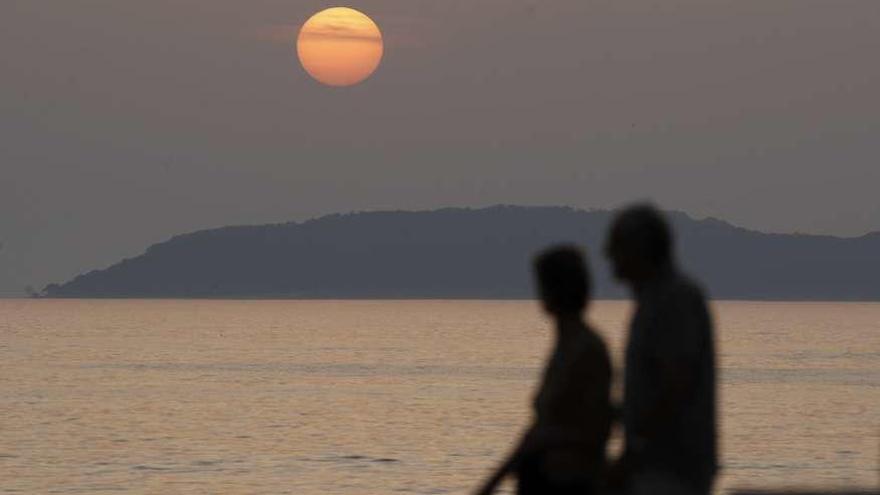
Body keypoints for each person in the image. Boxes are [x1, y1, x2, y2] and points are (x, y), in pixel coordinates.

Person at [475, 246, 612, 495]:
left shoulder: (588, 349)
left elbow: (596, 428)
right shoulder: (564, 346)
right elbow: (538, 428)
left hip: (571, 484)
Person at [604, 204, 718, 495]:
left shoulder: (673, 300)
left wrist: (636, 449)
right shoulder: (654, 301)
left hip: (671, 470)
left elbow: (675, 385)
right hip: (655, 466)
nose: (608, 254)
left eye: (617, 245)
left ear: (640, 249)